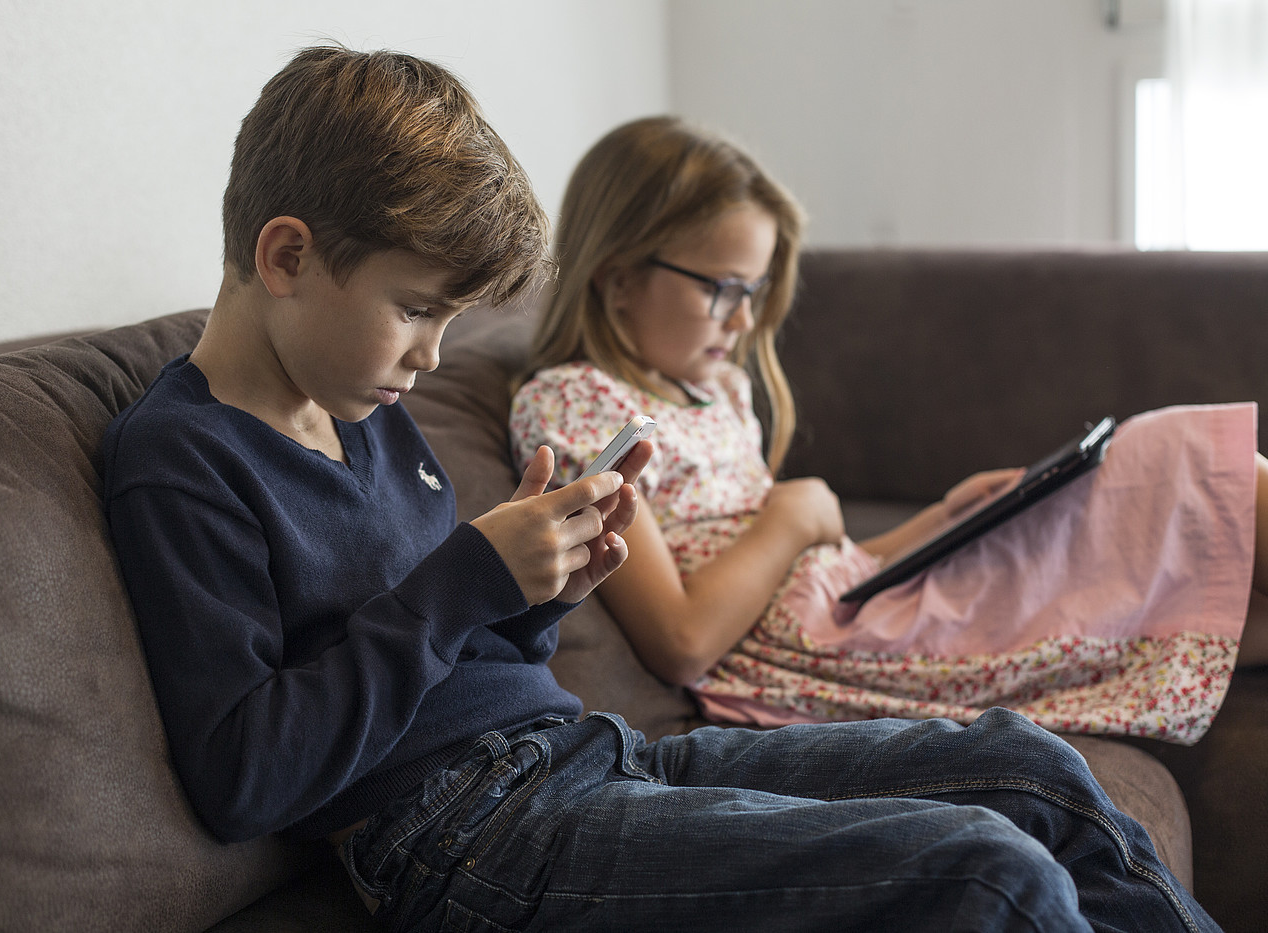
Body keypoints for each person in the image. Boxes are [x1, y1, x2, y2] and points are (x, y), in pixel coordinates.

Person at [104, 48, 1220, 931]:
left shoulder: (366, 408)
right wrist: (460, 586)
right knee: (983, 877)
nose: (432, 357)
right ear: (286, 256)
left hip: (586, 757)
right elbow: (245, 776)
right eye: (414, 310)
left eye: (450, 321)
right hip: (462, 839)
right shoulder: (182, 460)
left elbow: (460, 655)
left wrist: (539, 592)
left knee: (1031, 772)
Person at [510, 114, 1267, 748]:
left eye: (757, 290)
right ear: (616, 278)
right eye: (723, 290)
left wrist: (943, 518)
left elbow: (836, 567)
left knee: (1169, 525)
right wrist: (789, 515)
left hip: (851, 607)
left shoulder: (718, 390)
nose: (744, 319)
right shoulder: (578, 404)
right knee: (1167, 468)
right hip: (826, 652)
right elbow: (683, 641)